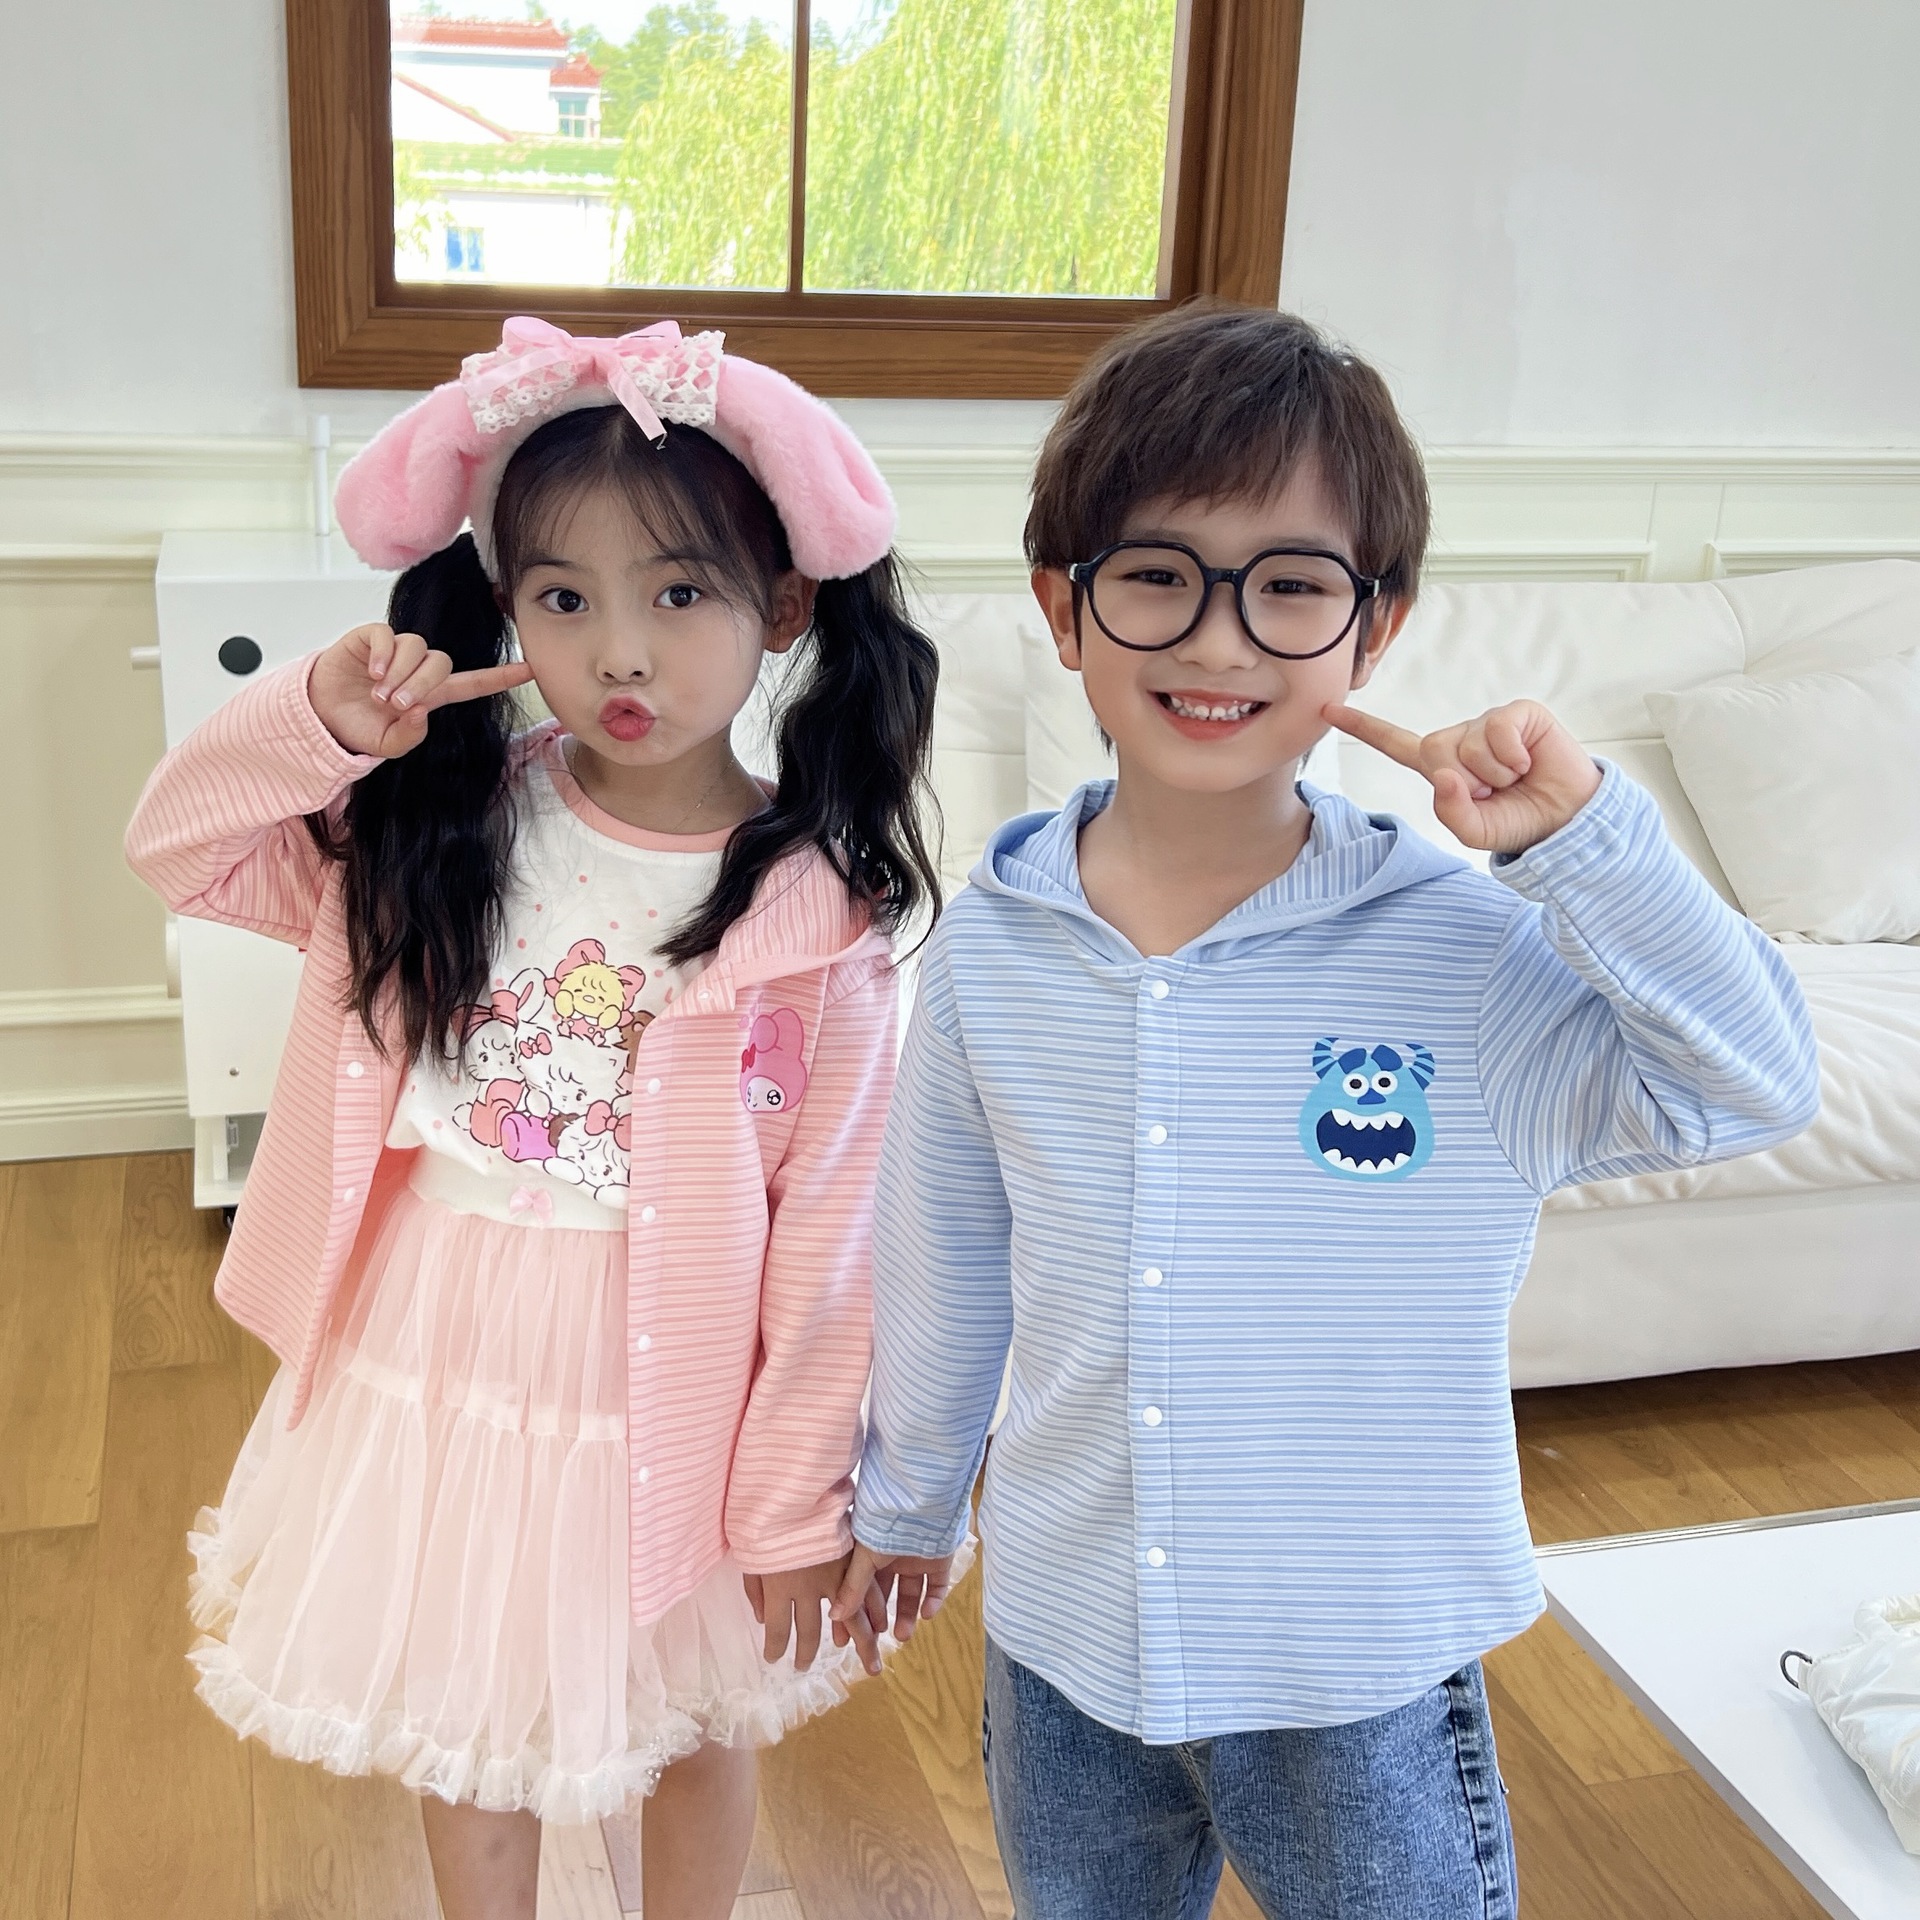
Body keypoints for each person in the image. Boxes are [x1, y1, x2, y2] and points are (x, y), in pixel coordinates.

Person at [832, 302, 1820, 1919]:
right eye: (1159, 574)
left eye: (1290, 586)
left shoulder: (1468, 954)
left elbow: (1754, 1082)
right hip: (1064, 1644)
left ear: (1377, 626)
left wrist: (1580, 840)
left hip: (1357, 1671)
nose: (1219, 642)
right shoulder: (988, 954)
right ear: (1063, 608)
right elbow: (945, 1266)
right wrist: (909, 1501)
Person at [126, 318, 938, 1920]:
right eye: (564, 600)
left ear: (784, 606)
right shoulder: (435, 825)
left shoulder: (818, 916)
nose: (620, 654)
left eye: (679, 595)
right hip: (441, 1334)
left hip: (675, 1371)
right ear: (506, 607)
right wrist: (320, 719)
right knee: (469, 1699)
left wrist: (795, 1501)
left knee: (692, 1718)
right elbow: (183, 848)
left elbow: (832, 1240)